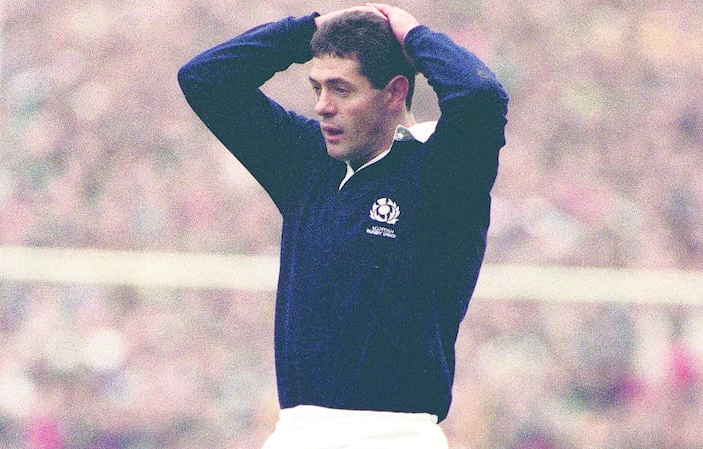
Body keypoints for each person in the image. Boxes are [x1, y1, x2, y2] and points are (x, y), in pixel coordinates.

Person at [178, 3, 508, 448]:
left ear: (394, 93)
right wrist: (309, 30)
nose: (322, 106)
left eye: (341, 89)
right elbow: (205, 79)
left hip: (393, 435)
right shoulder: (305, 160)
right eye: (316, 87)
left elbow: (480, 95)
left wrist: (411, 33)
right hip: (295, 433)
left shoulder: (444, 173)